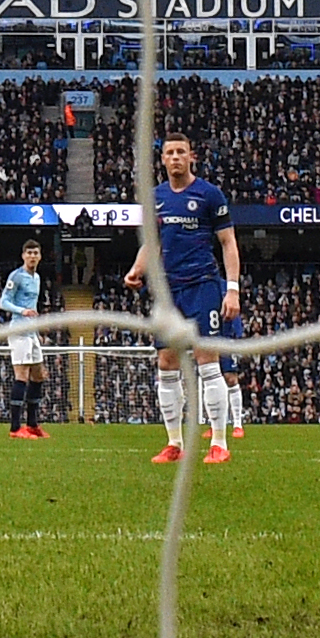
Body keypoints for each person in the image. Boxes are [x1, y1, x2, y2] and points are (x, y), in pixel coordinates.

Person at [123, 134, 240, 464]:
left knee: (207, 359)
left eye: (181, 152)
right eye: (170, 153)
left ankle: (219, 443)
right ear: (162, 159)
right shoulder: (156, 197)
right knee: (166, 362)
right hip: (168, 290)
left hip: (203, 285)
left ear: (192, 157)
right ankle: (174, 443)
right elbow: (153, 243)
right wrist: (137, 269)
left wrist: (232, 289)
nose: (175, 157)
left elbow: (228, 242)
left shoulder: (209, 194)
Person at [0, 240, 49, 437]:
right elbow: (4, 302)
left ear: (40, 256)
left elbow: (33, 306)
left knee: (38, 375)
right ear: (23, 256)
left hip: (31, 332)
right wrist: (22, 311)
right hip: (19, 331)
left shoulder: (36, 277)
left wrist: (36, 332)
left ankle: (32, 424)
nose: (32, 256)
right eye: (29, 253)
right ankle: (15, 428)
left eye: (35, 253)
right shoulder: (16, 276)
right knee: (22, 375)